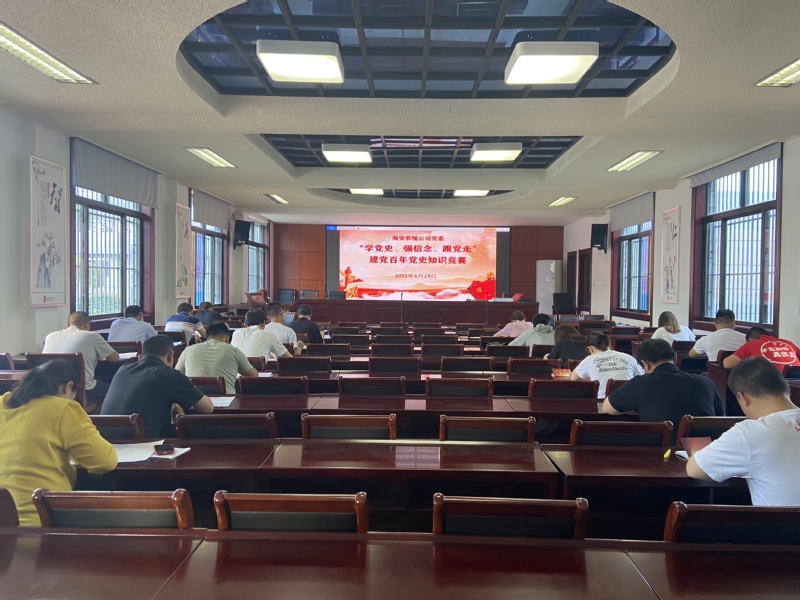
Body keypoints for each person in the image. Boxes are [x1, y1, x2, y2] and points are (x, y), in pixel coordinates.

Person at [0, 361, 117, 526]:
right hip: (41, 520)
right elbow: (105, 462)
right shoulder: (62, 408)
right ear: (68, 386)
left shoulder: (3, 403)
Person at [687, 358, 800, 506]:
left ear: (743, 398)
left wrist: (697, 451)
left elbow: (695, 470)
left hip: (781, 521)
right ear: (787, 388)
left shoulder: (750, 432)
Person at [603, 339, 724, 443]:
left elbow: (607, 408)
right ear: (675, 359)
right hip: (704, 452)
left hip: (663, 453)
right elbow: (720, 417)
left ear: (646, 364)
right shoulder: (706, 382)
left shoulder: (640, 383)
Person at [101, 335, 213, 438]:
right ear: (170, 356)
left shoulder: (123, 369)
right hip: (139, 444)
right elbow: (207, 408)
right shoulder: (169, 374)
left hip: (106, 441)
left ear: (141, 356)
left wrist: (174, 404)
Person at [42, 311, 119, 405]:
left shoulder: (50, 336)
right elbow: (114, 358)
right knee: (117, 390)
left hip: (51, 389)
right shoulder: (92, 336)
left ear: (67, 325)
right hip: (82, 390)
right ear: (87, 325)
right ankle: (92, 412)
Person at [175, 322, 258, 394]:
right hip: (226, 402)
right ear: (227, 339)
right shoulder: (233, 350)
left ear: (207, 337)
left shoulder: (188, 350)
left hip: (194, 402)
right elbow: (253, 375)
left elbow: (176, 377)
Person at [571, 331, 644, 399]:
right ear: (609, 344)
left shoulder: (590, 360)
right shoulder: (628, 358)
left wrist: (591, 377)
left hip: (602, 404)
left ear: (590, 349)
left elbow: (573, 378)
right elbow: (641, 377)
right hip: (629, 402)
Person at [722, 326, 800, 370]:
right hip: (795, 385)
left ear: (750, 339)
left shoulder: (752, 344)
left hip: (770, 385)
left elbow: (727, 363)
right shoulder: (788, 343)